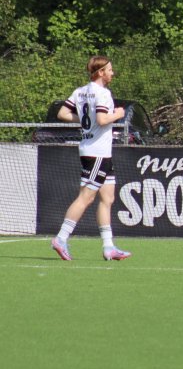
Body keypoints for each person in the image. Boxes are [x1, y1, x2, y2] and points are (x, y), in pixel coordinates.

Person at [50, 55, 132, 262]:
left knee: (108, 198)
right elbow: (103, 119)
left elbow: (62, 113)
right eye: (110, 70)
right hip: (96, 153)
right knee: (86, 197)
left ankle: (108, 247)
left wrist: (87, 121)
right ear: (101, 72)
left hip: (98, 152)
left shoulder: (80, 91)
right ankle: (61, 238)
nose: (113, 73)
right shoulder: (103, 93)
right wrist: (118, 114)